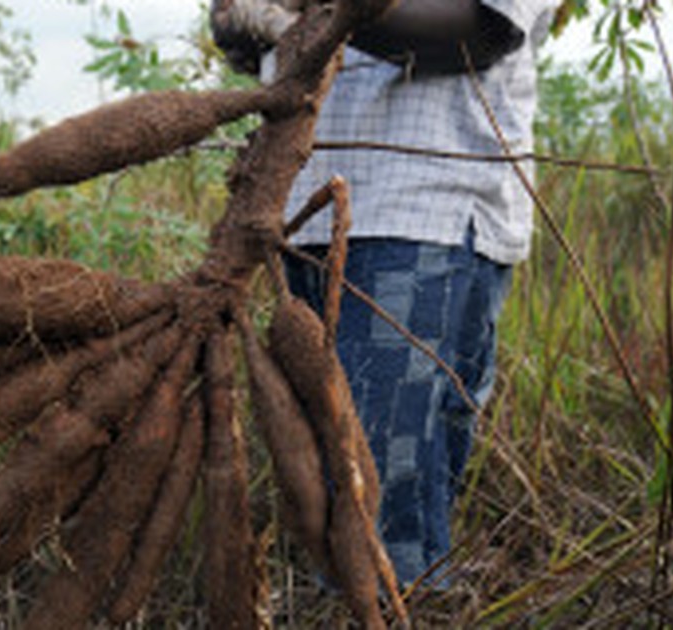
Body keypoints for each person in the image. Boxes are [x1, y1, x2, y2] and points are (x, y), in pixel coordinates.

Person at [212, 0, 559, 587]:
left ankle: (395, 602)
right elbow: (253, 39)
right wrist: (244, 21)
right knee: (328, 473)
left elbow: (481, 31)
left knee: (377, 481)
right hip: (305, 204)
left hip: (424, 209)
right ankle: (360, 600)